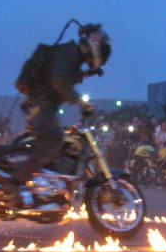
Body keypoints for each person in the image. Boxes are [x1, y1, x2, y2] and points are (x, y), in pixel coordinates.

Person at [11, 22, 110, 201]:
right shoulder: (69, 53)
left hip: (40, 105)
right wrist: (80, 102)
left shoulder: (69, 55)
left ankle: (42, 189)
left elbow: (67, 75)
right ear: (94, 45)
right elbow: (59, 80)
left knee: (53, 144)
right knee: (52, 144)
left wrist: (88, 74)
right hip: (40, 105)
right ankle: (14, 184)